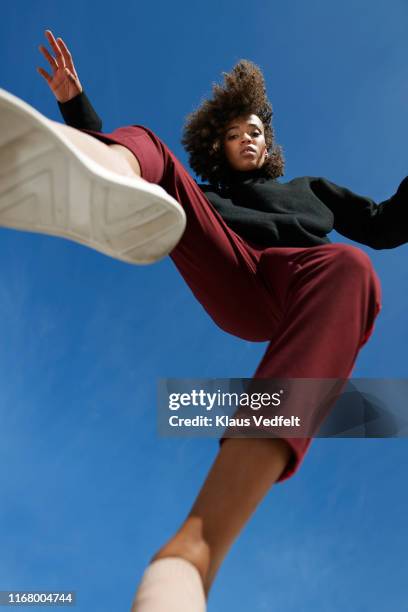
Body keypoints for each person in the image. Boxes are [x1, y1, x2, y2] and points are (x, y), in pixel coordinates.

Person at [1, 28, 405, 612]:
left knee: (350, 266)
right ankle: (95, 161)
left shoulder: (311, 191)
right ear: (220, 144)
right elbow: (145, 168)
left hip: (296, 277)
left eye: (256, 132)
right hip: (230, 269)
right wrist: (73, 104)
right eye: (237, 133)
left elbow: (387, 225)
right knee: (148, 147)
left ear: (269, 144)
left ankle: (195, 552)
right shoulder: (212, 194)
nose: (248, 139)